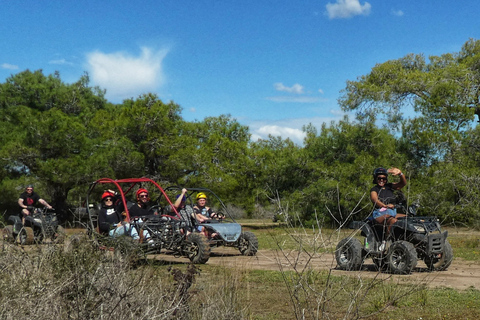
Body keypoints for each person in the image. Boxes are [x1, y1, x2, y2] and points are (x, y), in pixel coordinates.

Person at [370, 167, 407, 238]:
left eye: (384, 178)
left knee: (408, 219)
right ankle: (386, 241)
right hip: (380, 213)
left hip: (392, 212)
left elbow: (403, 183)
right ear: (375, 179)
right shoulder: (374, 189)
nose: (381, 180)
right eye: (379, 178)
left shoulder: (389, 187)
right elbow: (375, 199)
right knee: (393, 220)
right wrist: (385, 206)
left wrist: (400, 174)